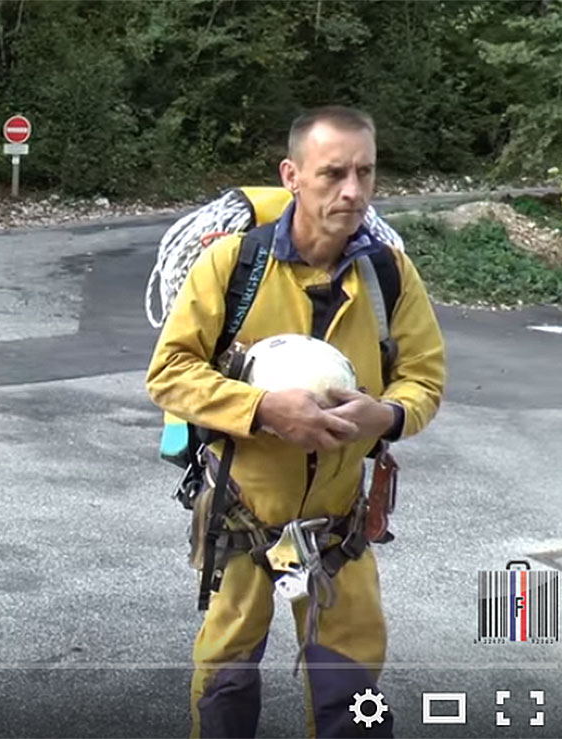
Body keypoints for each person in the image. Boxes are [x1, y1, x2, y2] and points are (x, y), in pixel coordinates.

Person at [145, 106, 446, 738]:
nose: (353, 191)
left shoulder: (389, 275)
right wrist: (260, 410)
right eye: (333, 173)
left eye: (365, 172)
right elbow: (169, 372)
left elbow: (423, 379)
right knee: (224, 686)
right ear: (292, 175)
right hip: (242, 522)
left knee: (354, 696)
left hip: (338, 531)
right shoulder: (233, 267)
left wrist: (386, 415)